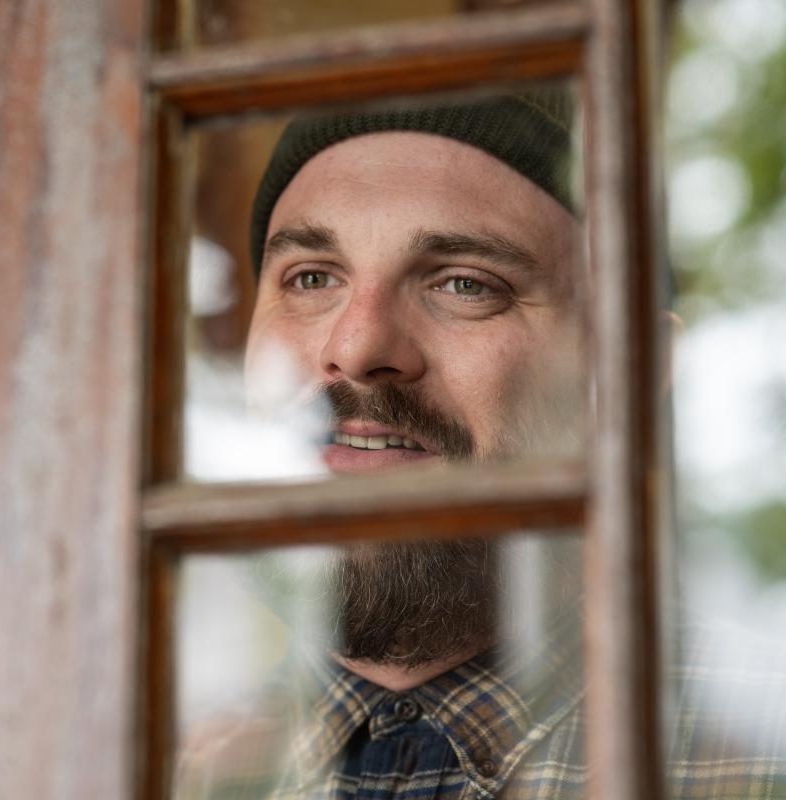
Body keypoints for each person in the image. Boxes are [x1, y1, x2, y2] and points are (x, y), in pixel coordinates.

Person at [175, 94, 786, 800]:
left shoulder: (765, 749)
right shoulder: (133, 760)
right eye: (311, 278)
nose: (358, 345)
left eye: (466, 283)